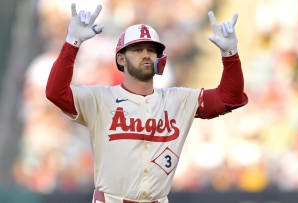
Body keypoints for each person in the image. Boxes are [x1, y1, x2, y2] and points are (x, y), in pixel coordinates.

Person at [46, 3, 248, 203]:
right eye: (137, 49)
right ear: (121, 59)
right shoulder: (100, 98)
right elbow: (56, 92)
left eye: (151, 50)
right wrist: (72, 42)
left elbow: (229, 99)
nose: (146, 55)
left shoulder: (179, 100)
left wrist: (230, 55)